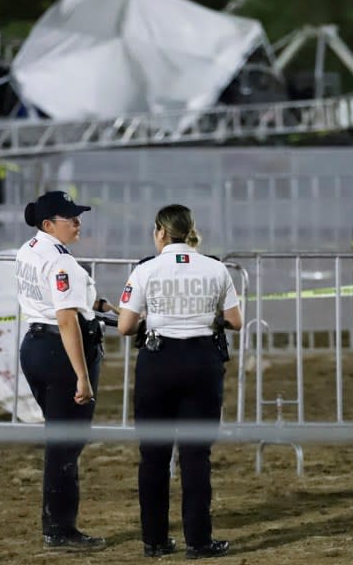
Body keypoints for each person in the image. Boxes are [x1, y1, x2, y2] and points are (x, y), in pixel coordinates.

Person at [118, 204, 242, 560]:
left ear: (160, 231)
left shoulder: (145, 269)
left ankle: (154, 541)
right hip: (202, 362)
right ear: (190, 230)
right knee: (195, 456)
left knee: (153, 456)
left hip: (158, 361)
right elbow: (235, 321)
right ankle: (199, 542)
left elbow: (126, 326)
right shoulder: (216, 268)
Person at [15, 190, 106, 552]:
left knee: (60, 440)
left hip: (36, 346)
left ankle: (56, 525)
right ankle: (60, 529)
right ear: (49, 224)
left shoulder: (30, 249)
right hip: (59, 350)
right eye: (70, 218)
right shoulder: (61, 261)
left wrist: (98, 305)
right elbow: (66, 319)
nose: (77, 222)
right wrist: (82, 375)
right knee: (66, 444)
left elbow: (60, 301)